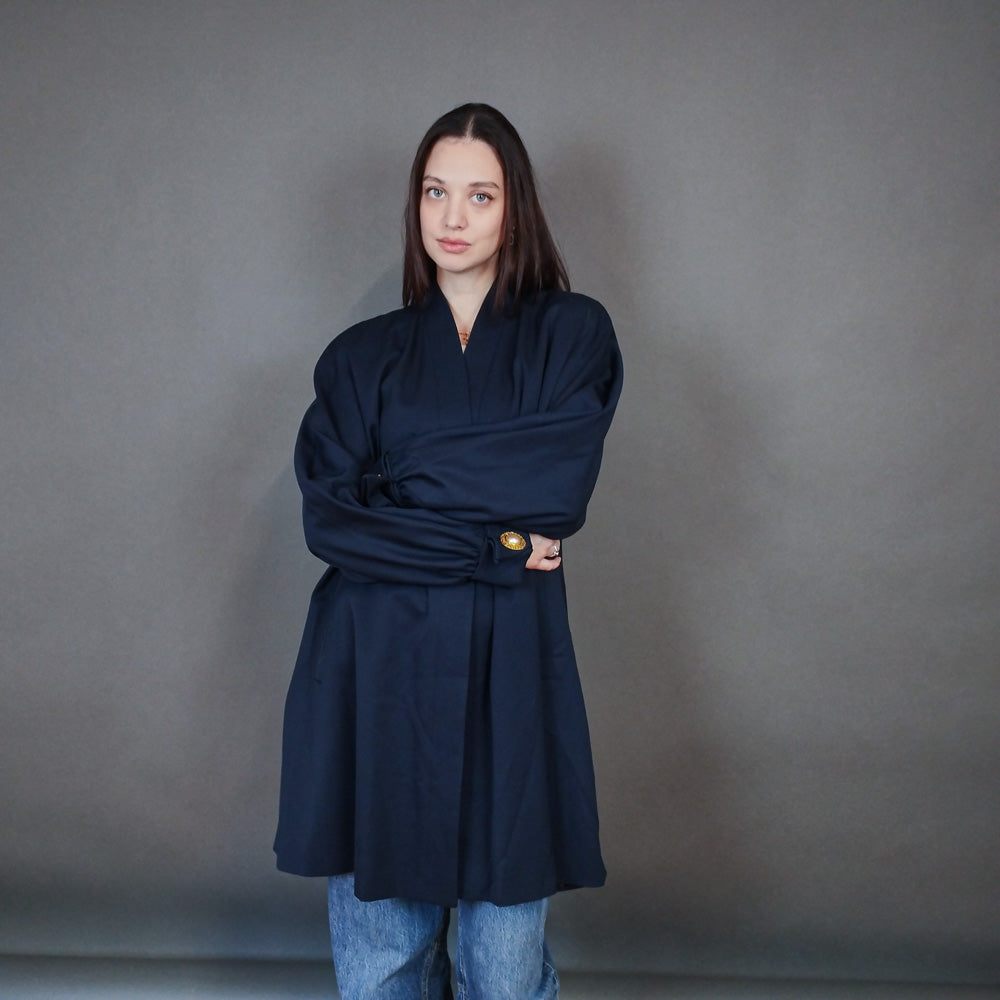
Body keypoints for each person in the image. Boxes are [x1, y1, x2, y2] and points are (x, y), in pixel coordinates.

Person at [274, 103, 623, 1000]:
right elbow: (330, 521)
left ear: (516, 207)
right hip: (376, 667)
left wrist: (392, 480)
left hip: (510, 671)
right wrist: (497, 543)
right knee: (382, 963)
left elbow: (555, 489)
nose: (453, 217)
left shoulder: (570, 336)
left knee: (503, 973)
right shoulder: (360, 359)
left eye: (479, 195)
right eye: (435, 192)